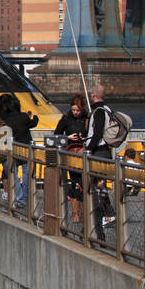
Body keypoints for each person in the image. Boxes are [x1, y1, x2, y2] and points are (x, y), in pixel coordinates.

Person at [84, 84, 115, 239]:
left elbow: (97, 133)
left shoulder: (99, 111)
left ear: (93, 95)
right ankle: (97, 225)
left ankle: (107, 215)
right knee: (98, 188)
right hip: (106, 151)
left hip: (99, 152)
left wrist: (88, 148)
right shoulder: (109, 110)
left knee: (96, 188)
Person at [0, 92, 39, 208]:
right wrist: (35, 116)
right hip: (26, 149)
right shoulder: (24, 116)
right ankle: (25, 198)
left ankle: (19, 197)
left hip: (12, 150)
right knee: (27, 174)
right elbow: (33, 123)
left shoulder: (5, 120)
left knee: (13, 174)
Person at [54, 94, 88, 222]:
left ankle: (84, 211)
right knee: (74, 182)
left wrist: (84, 138)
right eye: (74, 110)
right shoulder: (66, 118)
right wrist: (67, 138)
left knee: (84, 182)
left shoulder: (87, 118)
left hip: (83, 152)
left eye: (78, 110)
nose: (75, 113)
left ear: (82, 109)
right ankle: (75, 214)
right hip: (71, 152)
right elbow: (56, 134)